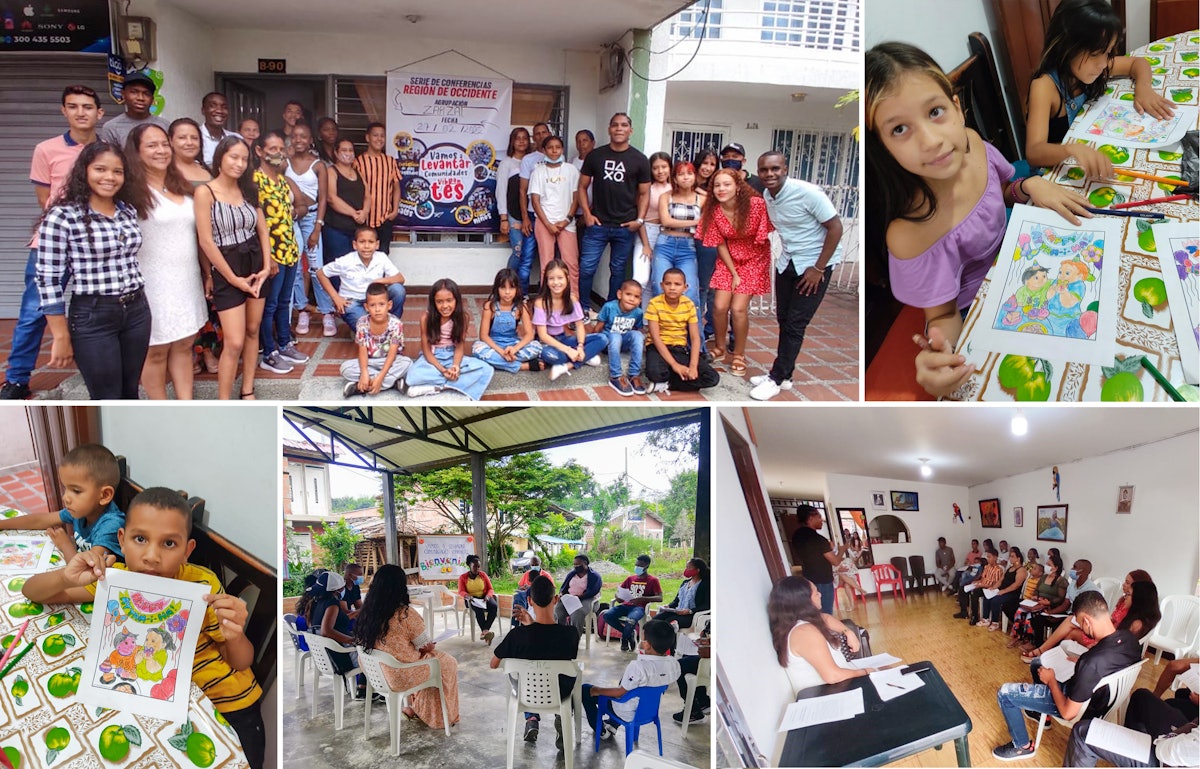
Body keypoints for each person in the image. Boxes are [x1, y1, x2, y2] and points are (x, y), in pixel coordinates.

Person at [864, 43, 1091, 398]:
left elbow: (1000, 190)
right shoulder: (909, 231)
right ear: (883, 147)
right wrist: (940, 356)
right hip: (983, 307)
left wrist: (1028, 184)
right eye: (899, 130)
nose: (931, 140)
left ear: (957, 108)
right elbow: (942, 315)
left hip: (1025, 253)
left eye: (935, 111)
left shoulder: (973, 144)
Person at [22, 487, 266, 769]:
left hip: (231, 704)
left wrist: (234, 635)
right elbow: (34, 592)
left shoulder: (203, 585)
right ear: (122, 541)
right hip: (161, 700)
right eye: (140, 539)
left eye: (169, 544)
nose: (152, 556)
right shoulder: (115, 580)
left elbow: (241, 660)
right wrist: (67, 575)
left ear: (187, 551)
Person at [1, 85, 103, 402]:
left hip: (95, 242)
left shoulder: (108, 150)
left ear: (99, 113)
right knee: (35, 311)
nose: (81, 112)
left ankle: (98, 370)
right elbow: (45, 199)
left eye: (87, 107)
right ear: (64, 110)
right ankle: (17, 379)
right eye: (73, 106)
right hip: (52, 242)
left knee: (96, 311)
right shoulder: (46, 149)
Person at [36, 142, 151, 400]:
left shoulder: (126, 210)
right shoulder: (63, 216)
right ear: (84, 171)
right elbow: (47, 278)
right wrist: (60, 334)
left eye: (117, 172)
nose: (109, 177)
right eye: (100, 169)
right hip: (93, 315)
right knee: (107, 396)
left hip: (136, 310)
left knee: (130, 391)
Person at [1025, 0, 1175, 178]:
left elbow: (1137, 63)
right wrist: (1071, 150)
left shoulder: (1094, 66)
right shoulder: (1044, 87)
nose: (1104, 63)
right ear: (1066, 46)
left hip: (1093, 160)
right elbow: (1034, 152)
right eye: (1096, 54)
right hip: (1053, 175)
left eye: (1108, 52)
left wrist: (1144, 88)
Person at [992, 591, 1142, 761]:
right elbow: (1105, 660)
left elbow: (1068, 713)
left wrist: (1051, 681)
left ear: (1086, 620)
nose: (1083, 631)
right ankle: (1039, 713)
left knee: (1005, 694)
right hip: (1105, 696)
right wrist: (1081, 661)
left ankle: (1022, 746)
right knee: (1037, 663)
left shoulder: (1091, 663)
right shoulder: (1130, 639)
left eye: (1080, 624)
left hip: (1080, 706)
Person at [749, 150, 844, 400]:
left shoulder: (808, 193)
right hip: (788, 261)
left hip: (814, 265)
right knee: (783, 318)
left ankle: (776, 378)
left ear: (785, 169)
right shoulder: (769, 195)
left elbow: (835, 227)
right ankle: (786, 375)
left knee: (795, 324)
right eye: (764, 170)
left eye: (775, 169)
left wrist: (818, 269)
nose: (769, 174)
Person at [124, 124, 208, 400]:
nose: (161, 150)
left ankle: (186, 404)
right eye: (151, 145)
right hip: (152, 283)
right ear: (136, 152)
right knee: (156, 349)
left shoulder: (180, 186)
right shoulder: (129, 192)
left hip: (186, 278)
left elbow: (197, 236)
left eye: (163, 144)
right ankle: (159, 405)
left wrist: (207, 273)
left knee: (184, 344)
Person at [194, 136, 272, 400]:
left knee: (253, 331)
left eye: (244, 159)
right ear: (220, 158)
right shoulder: (205, 192)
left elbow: (263, 231)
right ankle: (224, 401)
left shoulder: (250, 190)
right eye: (233, 157)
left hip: (255, 262)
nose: (239, 164)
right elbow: (205, 240)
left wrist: (266, 266)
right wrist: (231, 279)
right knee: (234, 341)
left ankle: (247, 389)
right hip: (226, 266)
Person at [354, 563, 460, 729]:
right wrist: (429, 647)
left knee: (430, 661)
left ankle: (414, 708)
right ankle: (441, 717)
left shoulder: (367, 612)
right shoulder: (404, 614)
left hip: (376, 672)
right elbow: (425, 645)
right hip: (400, 676)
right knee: (446, 663)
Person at [700, 168, 774, 378]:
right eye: (717, 185)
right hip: (728, 259)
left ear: (738, 187)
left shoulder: (756, 205)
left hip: (754, 258)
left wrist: (741, 274)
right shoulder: (714, 211)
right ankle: (720, 348)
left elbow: (765, 234)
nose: (721, 189)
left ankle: (739, 354)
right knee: (719, 306)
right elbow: (719, 243)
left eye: (726, 184)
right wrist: (733, 272)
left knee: (738, 308)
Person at [492, 574, 579, 748]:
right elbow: (551, 644)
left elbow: (493, 663)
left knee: (522, 674)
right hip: (559, 693)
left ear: (530, 601)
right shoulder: (570, 634)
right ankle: (562, 716)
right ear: (556, 599)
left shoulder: (516, 635)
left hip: (528, 693)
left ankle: (531, 719)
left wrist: (529, 628)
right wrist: (532, 628)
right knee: (568, 676)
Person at [578, 112, 651, 310]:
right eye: (615, 125)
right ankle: (583, 309)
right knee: (586, 269)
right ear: (609, 129)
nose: (619, 128)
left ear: (630, 130)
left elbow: (645, 193)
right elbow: (582, 187)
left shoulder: (640, 159)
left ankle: (611, 310)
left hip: (625, 226)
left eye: (624, 125)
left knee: (618, 271)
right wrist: (586, 213)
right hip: (598, 225)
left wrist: (640, 220)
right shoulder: (595, 156)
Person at [0, 443, 123, 561]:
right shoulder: (82, 510)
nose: (65, 498)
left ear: (104, 495)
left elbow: (87, 571)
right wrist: (2, 524)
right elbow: (40, 520)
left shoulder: (111, 525)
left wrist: (65, 545)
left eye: (76, 491)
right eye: (65, 488)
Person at [253, 130, 308, 377]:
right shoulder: (255, 181)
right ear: (259, 152)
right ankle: (269, 353)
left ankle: (285, 344)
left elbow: (297, 208)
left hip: (290, 250)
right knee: (270, 304)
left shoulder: (282, 181)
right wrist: (269, 258)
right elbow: (257, 224)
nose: (278, 153)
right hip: (272, 255)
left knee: (285, 303)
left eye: (280, 149)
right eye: (272, 149)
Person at [768, 575, 870, 695]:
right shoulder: (805, 633)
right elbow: (833, 676)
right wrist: (865, 671)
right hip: (830, 693)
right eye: (816, 593)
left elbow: (826, 618)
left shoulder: (796, 622)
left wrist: (848, 632)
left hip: (839, 686)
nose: (820, 595)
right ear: (804, 602)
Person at [581, 619, 680, 741]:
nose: (640, 641)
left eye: (642, 639)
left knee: (585, 690)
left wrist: (596, 690)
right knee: (628, 683)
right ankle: (613, 725)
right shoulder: (673, 664)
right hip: (649, 710)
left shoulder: (638, 667)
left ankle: (601, 731)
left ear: (648, 645)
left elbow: (620, 693)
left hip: (627, 711)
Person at [405, 279, 494, 400]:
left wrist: (456, 366)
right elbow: (426, 351)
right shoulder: (426, 318)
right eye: (439, 302)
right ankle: (455, 385)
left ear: (456, 300)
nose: (445, 306)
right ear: (433, 303)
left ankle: (439, 387)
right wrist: (442, 370)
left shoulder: (462, 317)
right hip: (433, 357)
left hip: (452, 355)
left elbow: (459, 346)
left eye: (449, 300)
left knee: (486, 370)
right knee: (412, 376)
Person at [318, 137, 371, 337]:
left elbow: (368, 194)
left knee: (356, 270)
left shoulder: (357, 172)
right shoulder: (332, 171)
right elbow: (331, 198)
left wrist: (365, 211)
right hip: (337, 228)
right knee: (338, 270)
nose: (348, 153)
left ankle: (352, 311)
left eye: (351, 150)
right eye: (344, 150)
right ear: (336, 153)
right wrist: (354, 213)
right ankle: (334, 311)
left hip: (356, 230)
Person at [315, 226, 406, 333]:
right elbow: (321, 273)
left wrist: (379, 281)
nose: (366, 246)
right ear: (355, 245)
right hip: (353, 302)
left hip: (375, 300)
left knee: (398, 290)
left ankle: (391, 328)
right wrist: (336, 298)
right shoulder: (346, 261)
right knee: (368, 330)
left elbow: (400, 278)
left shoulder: (381, 257)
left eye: (371, 242)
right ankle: (364, 330)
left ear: (377, 245)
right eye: (362, 242)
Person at [284, 123, 329, 337]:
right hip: (291, 219)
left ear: (311, 139)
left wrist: (318, 228)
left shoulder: (319, 165)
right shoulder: (284, 164)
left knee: (315, 266)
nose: (299, 140)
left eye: (303, 136)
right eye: (295, 136)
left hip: (311, 217)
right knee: (295, 268)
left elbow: (323, 199)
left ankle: (327, 312)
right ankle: (302, 309)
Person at [644, 268, 720, 394]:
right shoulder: (654, 304)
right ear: (662, 286)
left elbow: (695, 338)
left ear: (685, 287)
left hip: (679, 348)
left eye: (677, 284)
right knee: (654, 373)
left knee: (712, 378)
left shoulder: (689, 304)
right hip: (658, 347)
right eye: (668, 284)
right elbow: (655, 337)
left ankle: (668, 383)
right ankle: (675, 378)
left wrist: (693, 366)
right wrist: (674, 365)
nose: (672, 288)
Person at [532, 259, 607, 381]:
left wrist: (581, 347)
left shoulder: (572, 299)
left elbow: (580, 326)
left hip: (565, 339)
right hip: (548, 343)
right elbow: (543, 336)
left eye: (560, 278)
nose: (556, 282)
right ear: (546, 281)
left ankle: (569, 364)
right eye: (551, 278)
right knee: (549, 355)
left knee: (603, 338)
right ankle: (585, 356)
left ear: (567, 278)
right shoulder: (541, 303)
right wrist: (568, 350)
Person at [652, 160, 705, 328]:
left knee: (690, 293)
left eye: (689, 173)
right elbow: (666, 221)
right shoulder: (666, 197)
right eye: (680, 174)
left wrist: (697, 188)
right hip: (665, 244)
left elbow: (717, 198)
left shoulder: (701, 199)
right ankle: (660, 336)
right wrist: (696, 222)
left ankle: (697, 343)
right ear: (674, 178)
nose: (685, 178)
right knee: (661, 289)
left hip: (688, 247)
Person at [529, 135, 582, 296]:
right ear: (544, 150)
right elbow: (535, 201)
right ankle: (546, 302)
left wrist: (567, 220)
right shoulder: (538, 171)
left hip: (567, 223)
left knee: (571, 264)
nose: (554, 150)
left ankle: (573, 302)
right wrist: (548, 224)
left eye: (557, 147)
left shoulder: (571, 170)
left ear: (562, 149)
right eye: (550, 147)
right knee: (546, 264)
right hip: (544, 223)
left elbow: (576, 197)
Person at [340, 282, 411, 398]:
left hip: (390, 361)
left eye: (381, 304)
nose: (377, 309)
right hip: (370, 362)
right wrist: (364, 373)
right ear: (366, 307)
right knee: (345, 368)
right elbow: (362, 350)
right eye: (372, 305)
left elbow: (392, 354)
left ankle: (360, 387)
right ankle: (392, 383)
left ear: (389, 305)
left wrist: (380, 376)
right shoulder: (362, 323)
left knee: (407, 363)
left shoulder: (396, 324)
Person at [472, 268, 543, 374]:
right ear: (497, 288)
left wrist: (514, 349)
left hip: (513, 344)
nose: (507, 292)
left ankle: (499, 362)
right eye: (503, 288)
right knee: (477, 349)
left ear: (517, 289)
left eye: (511, 288)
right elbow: (484, 336)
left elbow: (529, 335)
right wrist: (501, 352)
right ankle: (522, 366)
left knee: (537, 347)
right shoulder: (490, 307)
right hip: (494, 345)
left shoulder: (521, 307)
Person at [590, 279, 645, 396]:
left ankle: (634, 375)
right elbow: (598, 328)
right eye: (628, 294)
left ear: (640, 300)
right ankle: (615, 376)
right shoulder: (609, 307)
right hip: (608, 342)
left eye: (636, 297)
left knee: (638, 335)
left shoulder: (638, 312)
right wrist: (594, 346)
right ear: (620, 294)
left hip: (623, 342)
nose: (631, 299)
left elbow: (636, 329)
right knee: (615, 336)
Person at [496, 127, 535, 293]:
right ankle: (505, 287)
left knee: (528, 255)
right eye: (517, 138)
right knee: (518, 253)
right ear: (512, 141)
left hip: (533, 215)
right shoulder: (507, 163)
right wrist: (504, 218)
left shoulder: (533, 162)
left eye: (525, 138)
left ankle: (520, 291)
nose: (521, 141)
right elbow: (501, 191)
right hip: (514, 216)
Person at [632, 151, 673, 305]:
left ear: (670, 167)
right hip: (646, 232)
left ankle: (647, 319)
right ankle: (633, 316)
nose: (660, 171)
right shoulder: (646, 188)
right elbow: (640, 217)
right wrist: (646, 245)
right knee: (641, 278)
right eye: (655, 168)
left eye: (664, 167)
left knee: (657, 279)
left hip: (667, 235)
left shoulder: (674, 188)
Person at [515, 122, 552, 292]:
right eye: (537, 133)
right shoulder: (529, 160)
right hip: (532, 215)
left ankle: (547, 295)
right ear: (533, 138)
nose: (541, 135)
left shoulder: (558, 156)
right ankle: (522, 296)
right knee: (527, 257)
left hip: (553, 215)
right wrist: (524, 218)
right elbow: (523, 191)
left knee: (552, 260)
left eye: (544, 132)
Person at [602, 554, 663, 652]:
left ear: (646, 566)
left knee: (630, 621)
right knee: (607, 615)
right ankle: (628, 634)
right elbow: (618, 592)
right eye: (636, 565)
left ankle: (625, 640)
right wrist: (618, 597)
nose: (637, 568)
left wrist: (643, 598)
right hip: (625, 605)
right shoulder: (630, 579)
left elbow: (660, 597)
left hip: (639, 607)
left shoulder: (653, 580)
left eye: (640, 566)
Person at [355, 123, 401, 253]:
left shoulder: (390, 161)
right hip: (365, 219)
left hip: (384, 218)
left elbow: (396, 187)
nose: (379, 139)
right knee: (364, 254)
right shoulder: (358, 162)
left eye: (382, 136)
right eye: (375, 135)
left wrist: (395, 210)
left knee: (383, 255)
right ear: (367, 138)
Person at [1009, 553, 1068, 653]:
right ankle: (1018, 636)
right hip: (1037, 602)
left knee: (1031, 615)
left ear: (1056, 567)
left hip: (1049, 606)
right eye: (1046, 564)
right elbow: (1036, 590)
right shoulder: (1044, 577)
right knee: (1020, 611)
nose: (1047, 567)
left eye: (1049, 565)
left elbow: (1061, 598)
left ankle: (1032, 641)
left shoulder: (1061, 581)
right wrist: (1035, 596)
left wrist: (1048, 602)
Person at [789, 505, 838, 614]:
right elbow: (835, 561)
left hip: (808, 578)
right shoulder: (818, 539)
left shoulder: (796, 536)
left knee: (814, 611)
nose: (822, 521)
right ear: (811, 518)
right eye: (819, 517)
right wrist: (842, 549)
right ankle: (826, 630)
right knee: (826, 612)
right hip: (823, 580)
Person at [100, 72, 168, 147]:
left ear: (152, 99)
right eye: (134, 92)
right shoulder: (111, 128)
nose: (140, 98)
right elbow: (109, 157)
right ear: (123, 94)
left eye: (146, 94)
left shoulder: (165, 125)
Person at [979, 547, 1029, 631]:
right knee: (987, 595)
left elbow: (1016, 585)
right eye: (1010, 556)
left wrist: (1003, 591)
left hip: (1012, 593)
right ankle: (986, 618)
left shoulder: (1021, 570)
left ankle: (995, 622)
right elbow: (1000, 580)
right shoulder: (1010, 568)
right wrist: (993, 588)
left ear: (1018, 558)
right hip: (1002, 590)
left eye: (1012, 556)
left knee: (996, 600)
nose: (1010, 558)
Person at [555, 554, 602, 637]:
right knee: (558, 609)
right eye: (574, 564)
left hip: (588, 599)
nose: (576, 566)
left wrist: (580, 596)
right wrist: (562, 594)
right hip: (571, 598)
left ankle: (575, 638)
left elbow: (593, 591)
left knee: (577, 613)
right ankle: (561, 636)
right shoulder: (572, 574)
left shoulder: (594, 576)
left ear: (585, 563)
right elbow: (564, 587)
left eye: (578, 564)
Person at [655, 558, 709, 629]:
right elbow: (676, 601)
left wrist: (690, 611)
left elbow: (706, 605)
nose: (686, 570)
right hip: (678, 612)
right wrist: (668, 606)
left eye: (689, 568)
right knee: (655, 620)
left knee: (668, 624)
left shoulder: (705, 585)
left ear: (697, 570)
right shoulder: (685, 583)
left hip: (691, 616)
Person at [457, 554, 498, 644]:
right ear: (469, 566)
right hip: (471, 599)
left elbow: (491, 589)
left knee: (494, 606)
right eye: (474, 566)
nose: (477, 569)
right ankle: (486, 632)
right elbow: (461, 591)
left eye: (478, 566)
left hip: (484, 597)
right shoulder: (463, 577)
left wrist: (488, 596)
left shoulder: (483, 575)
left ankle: (485, 631)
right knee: (479, 611)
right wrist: (468, 596)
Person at [958, 547, 1002, 624]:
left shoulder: (998, 569)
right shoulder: (986, 567)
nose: (987, 559)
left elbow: (994, 584)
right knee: (962, 588)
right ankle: (963, 612)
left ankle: (975, 616)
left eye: (989, 557)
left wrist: (981, 585)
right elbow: (982, 578)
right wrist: (976, 582)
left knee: (974, 592)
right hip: (982, 585)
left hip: (988, 588)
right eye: (987, 557)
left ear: (995, 557)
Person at [510, 555, 554, 626]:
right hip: (527, 598)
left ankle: (521, 620)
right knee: (519, 596)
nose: (534, 566)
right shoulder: (527, 574)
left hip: (540, 598)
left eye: (536, 564)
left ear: (540, 564)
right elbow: (519, 586)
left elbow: (551, 589)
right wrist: (522, 588)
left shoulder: (546, 576)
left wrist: (532, 587)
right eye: (532, 565)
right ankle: (518, 623)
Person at [199, 92, 240, 166]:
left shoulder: (237, 138)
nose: (219, 111)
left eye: (224, 107)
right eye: (212, 106)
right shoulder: (195, 138)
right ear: (203, 110)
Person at [169, 118, 214, 186]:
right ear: (170, 141)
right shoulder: (164, 171)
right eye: (182, 137)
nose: (189, 143)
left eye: (194, 138)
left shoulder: (208, 169)